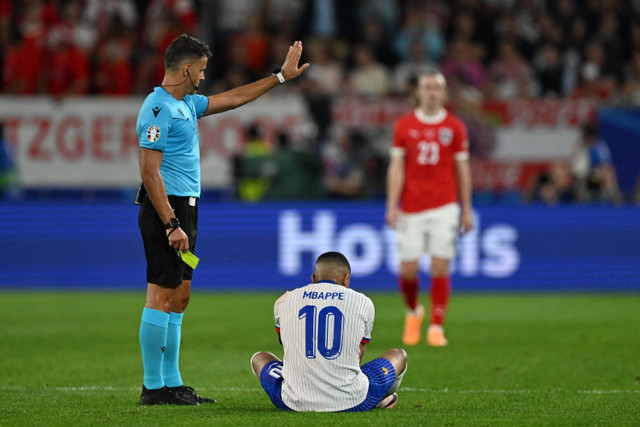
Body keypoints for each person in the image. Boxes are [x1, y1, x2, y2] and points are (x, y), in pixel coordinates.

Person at [135, 34, 309, 406]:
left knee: (180, 297)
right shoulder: (156, 108)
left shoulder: (186, 104)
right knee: (160, 295)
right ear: (185, 68)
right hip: (166, 211)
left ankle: (172, 382)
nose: (202, 76)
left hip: (187, 209)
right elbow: (150, 174)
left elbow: (233, 99)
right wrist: (170, 223)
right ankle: (153, 387)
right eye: (200, 70)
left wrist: (279, 78)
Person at [251, 251, 407, 412]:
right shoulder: (363, 302)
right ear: (346, 279)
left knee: (259, 358)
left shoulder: (284, 301)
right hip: (352, 400)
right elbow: (358, 354)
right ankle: (380, 399)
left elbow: (285, 344)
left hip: (293, 401)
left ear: (313, 279)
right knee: (399, 355)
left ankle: (299, 387)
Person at [385, 69, 473, 347]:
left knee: (439, 266)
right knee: (408, 271)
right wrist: (392, 205)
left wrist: (467, 209)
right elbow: (397, 167)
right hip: (411, 206)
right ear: (418, 92)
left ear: (444, 93)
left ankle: (436, 326)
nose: (432, 92)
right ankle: (414, 311)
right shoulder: (403, 125)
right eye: (427, 87)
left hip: (444, 205)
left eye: (437, 87)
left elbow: (463, 169)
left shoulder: (455, 126)